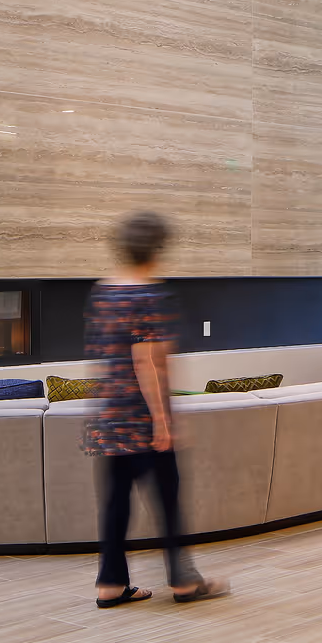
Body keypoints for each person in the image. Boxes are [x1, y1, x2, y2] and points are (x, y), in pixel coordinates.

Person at [84, 211, 227, 608]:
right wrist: (164, 422)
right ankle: (184, 581)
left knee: (115, 502)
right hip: (143, 420)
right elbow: (147, 361)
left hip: (109, 415)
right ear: (157, 248)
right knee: (168, 498)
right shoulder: (150, 294)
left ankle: (110, 585)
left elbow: (103, 358)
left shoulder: (103, 291)